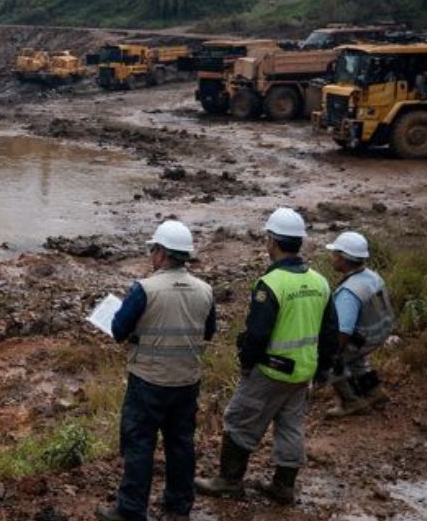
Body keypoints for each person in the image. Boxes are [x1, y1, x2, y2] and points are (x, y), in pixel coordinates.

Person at [196, 207, 339, 505]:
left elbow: (257, 334)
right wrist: (323, 370)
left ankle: (229, 480)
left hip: (271, 370)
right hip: (303, 371)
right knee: (290, 425)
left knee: (239, 419)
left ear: (272, 241)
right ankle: (284, 486)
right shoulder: (320, 282)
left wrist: (247, 363)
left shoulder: (271, 284)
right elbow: (330, 332)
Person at [96, 220, 216, 521]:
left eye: (153, 250)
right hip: (187, 381)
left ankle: (131, 510)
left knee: (139, 445)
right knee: (181, 443)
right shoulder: (206, 290)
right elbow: (209, 332)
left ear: (162, 253)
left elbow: (119, 330)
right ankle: (178, 505)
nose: (152, 255)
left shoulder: (144, 289)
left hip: (147, 381)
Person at [325, 231, 395, 417]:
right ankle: (374, 392)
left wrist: (333, 353)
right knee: (357, 359)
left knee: (329, 360)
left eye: (335, 254)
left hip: (364, 336)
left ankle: (351, 402)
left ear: (343, 259)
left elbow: (343, 330)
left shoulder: (349, 292)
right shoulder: (371, 276)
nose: (332, 258)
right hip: (380, 330)